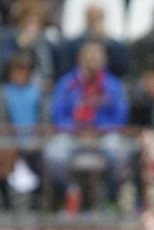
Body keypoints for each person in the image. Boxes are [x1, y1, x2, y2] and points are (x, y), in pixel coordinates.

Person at [45, 40, 130, 207]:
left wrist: (98, 129)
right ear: (79, 58)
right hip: (72, 135)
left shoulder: (114, 85)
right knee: (53, 154)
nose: (92, 58)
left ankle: (110, 199)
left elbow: (120, 116)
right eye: (88, 53)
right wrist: (75, 129)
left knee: (120, 153)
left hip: (103, 136)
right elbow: (57, 114)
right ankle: (65, 197)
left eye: (96, 54)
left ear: (104, 59)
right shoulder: (66, 83)